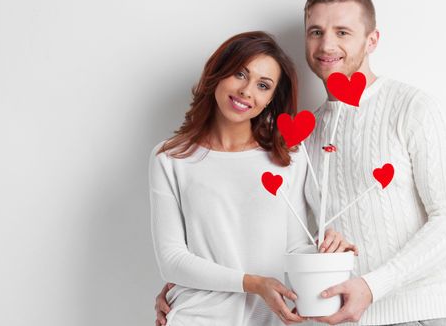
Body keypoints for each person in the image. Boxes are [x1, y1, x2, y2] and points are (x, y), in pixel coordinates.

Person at [155, 0, 446, 326]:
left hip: (417, 315)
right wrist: (186, 287)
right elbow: (291, 236)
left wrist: (372, 286)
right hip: (336, 318)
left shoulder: (413, 108)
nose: (327, 45)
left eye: (343, 32)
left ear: (372, 40)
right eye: (316, 31)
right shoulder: (303, 136)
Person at [149, 31, 356, 326]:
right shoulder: (170, 158)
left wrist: (329, 253)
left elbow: (294, 247)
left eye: (263, 85)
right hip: (196, 317)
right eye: (239, 74)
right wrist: (253, 283)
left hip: (268, 319)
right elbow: (172, 261)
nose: (247, 91)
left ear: (272, 99)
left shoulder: (289, 158)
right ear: (217, 74)